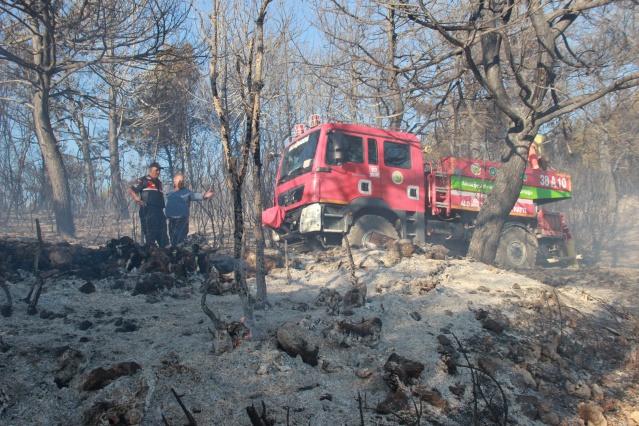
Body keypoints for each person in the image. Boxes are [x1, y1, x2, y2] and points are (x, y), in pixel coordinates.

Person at [165, 174, 214, 246]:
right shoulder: (170, 193)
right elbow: (166, 206)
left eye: (183, 181)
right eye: (179, 180)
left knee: (181, 241)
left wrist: (204, 196)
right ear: (174, 182)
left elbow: (194, 195)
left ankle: (182, 255)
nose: (181, 182)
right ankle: (175, 255)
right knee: (173, 240)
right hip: (171, 220)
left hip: (181, 220)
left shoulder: (186, 192)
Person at [128, 161, 169, 247]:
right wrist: (139, 200)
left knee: (163, 234)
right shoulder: (142, 180)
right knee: (151, 235)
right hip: (148, 212)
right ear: (150, 170)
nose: (158, 172)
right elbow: (130, 190)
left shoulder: (159, 183)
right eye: (156, 170)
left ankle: (164, 253)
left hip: (159, 211)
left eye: (159, 171)